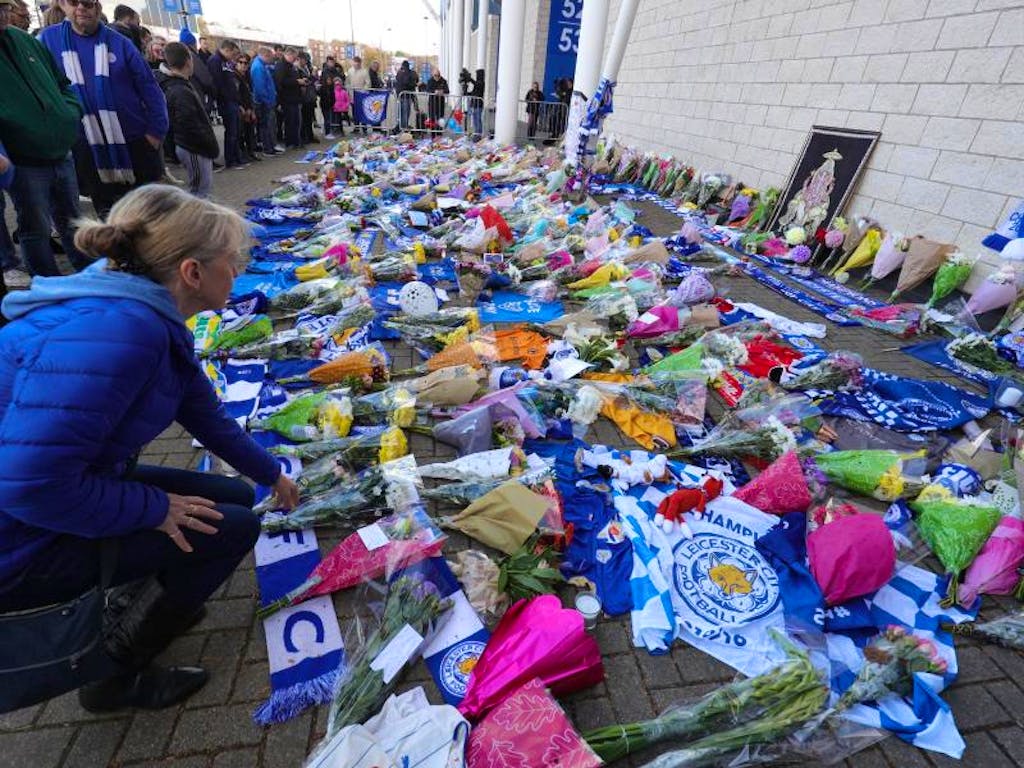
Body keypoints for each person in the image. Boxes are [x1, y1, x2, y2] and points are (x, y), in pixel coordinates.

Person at [0, 185, 300, 712]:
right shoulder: (126, 334)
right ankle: (112, 676)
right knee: (230, 528)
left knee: (228, 493)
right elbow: (28, 485)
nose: (239, 272)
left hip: (66, 490)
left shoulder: (138, 308)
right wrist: (155, 510)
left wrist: (272, 474)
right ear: (192, 273)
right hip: (21, 539)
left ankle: (151, 592)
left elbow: (208, 418)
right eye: (233, 262)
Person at [39, 0, 169, 219]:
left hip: (136, 143)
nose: (82, 7)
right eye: (74, 1)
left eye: (88, 2)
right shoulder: (47, 41)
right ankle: (120, 253)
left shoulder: (120, 43)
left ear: (97, 6)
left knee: (150, 215)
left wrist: (155, 133)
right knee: (109, 216)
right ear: (62, 4)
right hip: (88, 147)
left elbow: (151, 89)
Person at [0, 0, 92, 278]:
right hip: (24, 160)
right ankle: (48, 284)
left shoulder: (24, 40)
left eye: (4, 7)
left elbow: (61, 82)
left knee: (73, 220)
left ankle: (88, 275)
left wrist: (70, 111)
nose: (3, 14)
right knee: (35, 228)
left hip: (61, 152)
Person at [156, 42, 218, 198]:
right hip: (193, 148)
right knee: (199, 191)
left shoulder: (181, 84)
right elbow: (187, 123)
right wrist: (206, 143)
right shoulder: (178, 89)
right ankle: (194, 220)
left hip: (195, 146)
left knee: (203, 189)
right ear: (188, 61)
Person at [208, 39, 246, 170]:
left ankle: (237, 158)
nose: (234, 57)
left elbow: (231, 84)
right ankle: (230, 161)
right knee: (231, 132)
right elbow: (218, 84)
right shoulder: (215, 61)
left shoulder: (226, 62)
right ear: (227, 50)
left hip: (233, 101)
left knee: (236, 131)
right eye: (233, 54)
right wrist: (226, 98)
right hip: (226, 102)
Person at [251, 46, 281, 155]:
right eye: (270, 58)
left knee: (270, 125)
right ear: (265, 56)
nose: (271, 60)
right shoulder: (258, 67)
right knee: (266, 125)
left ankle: (271, 146)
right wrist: (267, 101)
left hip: (268, 100)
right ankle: (268, 148)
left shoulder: (263, 66)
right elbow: (260, 87)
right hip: (264, 102)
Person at [274, 47, 303, 149]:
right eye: (294, 57)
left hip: (294, 97)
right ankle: (290, 142)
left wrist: (300, 81)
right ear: (289, 55)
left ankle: (296, 141)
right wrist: (296, 82)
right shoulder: (281, 66)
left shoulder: (291, 66)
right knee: (290, 122)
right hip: (287, 99)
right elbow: (280, 82)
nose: (295, 59)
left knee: (296, 121)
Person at [235, 53, 259, 162]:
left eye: (246, 63)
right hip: (240, 108)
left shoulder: (247, 76)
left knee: (250, 132)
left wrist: (251, 109)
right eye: (241, 62)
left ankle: (250, 152)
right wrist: (242, 107)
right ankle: (241, 154)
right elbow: (235, 94)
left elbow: (249, 94)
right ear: (236, 63)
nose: (243, 65)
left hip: (248, 106)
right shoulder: (234, 76)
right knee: (240, 133)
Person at [296, 52, 317, 145]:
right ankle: (303, 137)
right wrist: (311, 77)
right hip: (303, 97)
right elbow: (305, 81)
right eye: (305, 60)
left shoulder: (306, 68)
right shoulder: (297, 69)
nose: (306, 62)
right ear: (300, 59)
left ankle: (310, 136)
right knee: (304, 119)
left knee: (309, 118)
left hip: (310, 96)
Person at [347, 55, 370, 134]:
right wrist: (349, 90)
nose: (356, 65)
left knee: (363, 111)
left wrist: (363, 91)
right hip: (353, 95)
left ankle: (364, 128)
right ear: (353, 63)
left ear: (360, 63)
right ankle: (356, 127)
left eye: (358, 64)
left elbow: (368, 83)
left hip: (362, 95)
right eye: (355, 63)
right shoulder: (350, 71)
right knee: (354, 111)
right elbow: (347, 82)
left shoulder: (364, 71)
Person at [394, 59, 417, 131]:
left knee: (400, 113)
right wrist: (415, 84)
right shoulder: (409, 73)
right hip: (406, 96)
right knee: (405, 113)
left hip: (399, 95)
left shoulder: (399, 73)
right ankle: (404, 127)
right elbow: (407, 83)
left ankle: (400, 126)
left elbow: (398, 83)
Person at [426, 68, 449, 136]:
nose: (437, 77)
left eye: (438, 75)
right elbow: (427, 90)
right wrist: (434, 91)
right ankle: (433, 134)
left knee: (440, 119)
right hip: (432, 103)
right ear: (433, 75)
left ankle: (439, 134)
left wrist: (442, 91)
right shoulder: (430, 81)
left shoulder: (443, 81)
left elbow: (447, 90)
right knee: (432, 118)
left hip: (440, 103)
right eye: (435, 75)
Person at [469, 67, 485, 139]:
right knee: (475, 120)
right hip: (474, 104)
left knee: (478, 120)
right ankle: (476, 133)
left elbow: (477, 84)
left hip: (479, 104)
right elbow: (473, 92)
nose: (477, 76)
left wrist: (470, 79)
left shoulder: (481, 83)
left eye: (478, 74)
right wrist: (467, 93)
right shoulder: (477, 84)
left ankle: (479, 134)